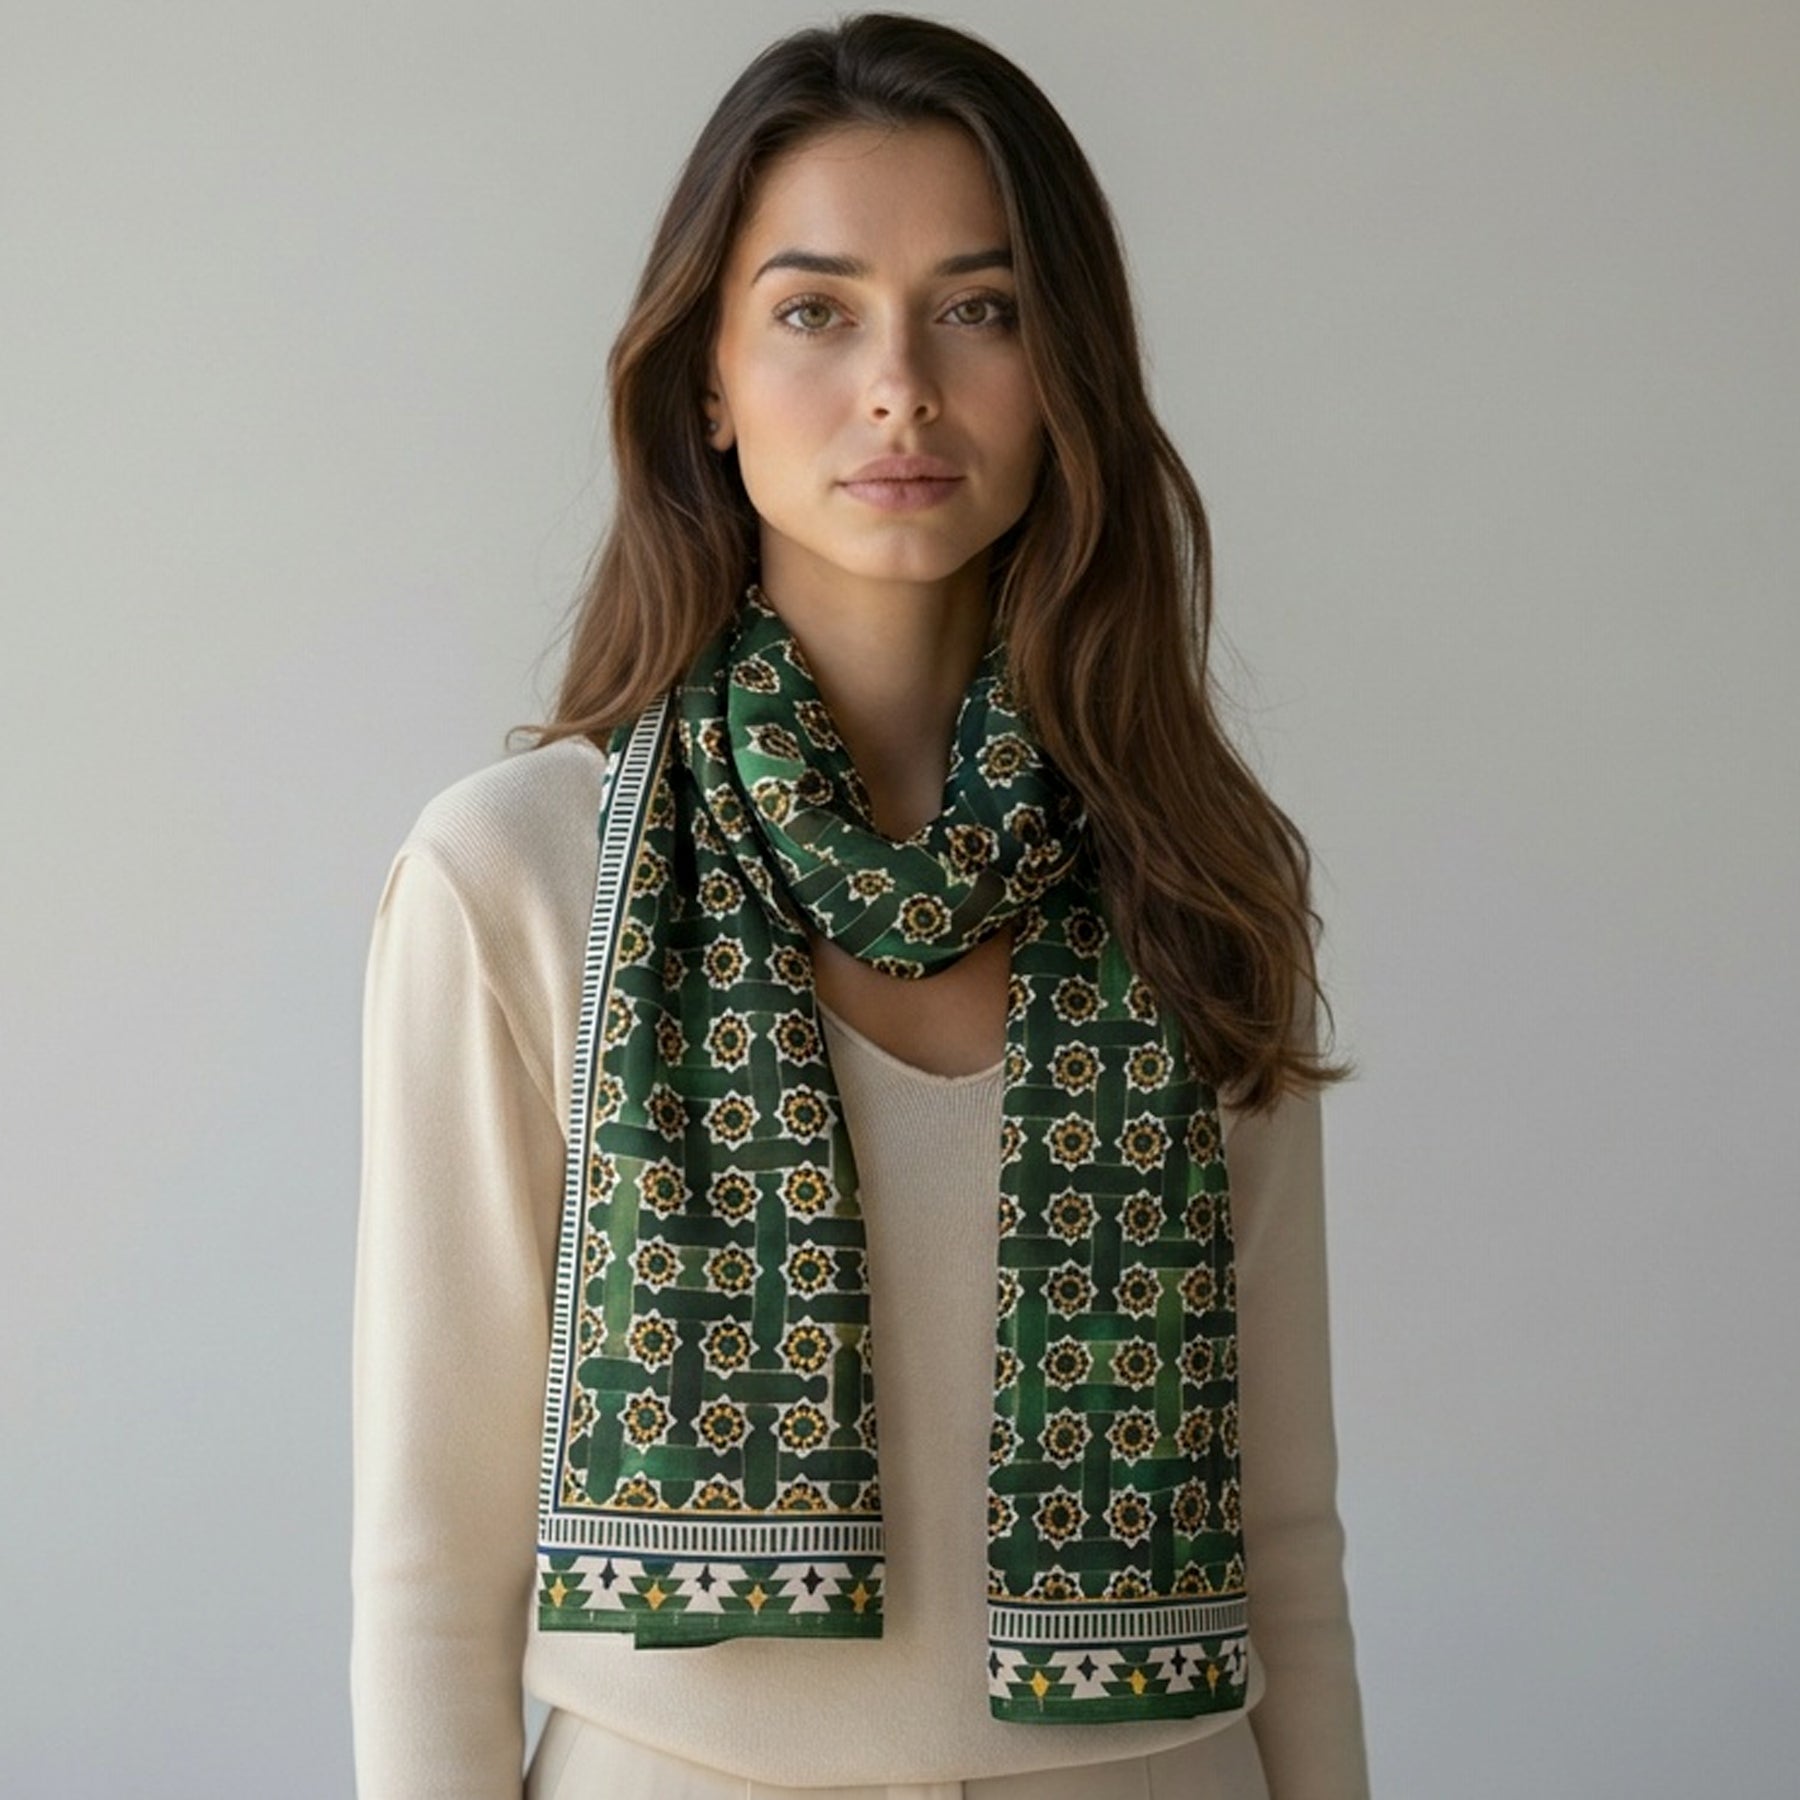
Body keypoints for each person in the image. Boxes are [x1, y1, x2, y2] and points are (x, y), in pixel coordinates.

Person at [351, 14, 1370, 1799]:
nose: (900, 386)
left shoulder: (1194, 870)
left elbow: (1282, 1539)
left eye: (980, 308)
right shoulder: (513, 877)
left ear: (1066, 371)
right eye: (816, 312)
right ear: (708, 382)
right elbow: (433, 1575)